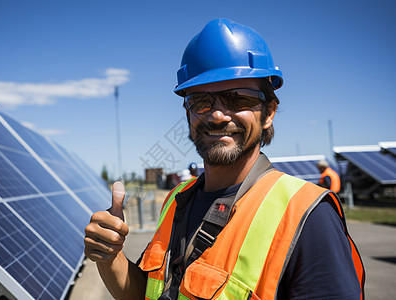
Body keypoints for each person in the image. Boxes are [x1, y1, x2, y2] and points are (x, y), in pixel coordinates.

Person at [84, 19, 365, 300]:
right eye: (200, 101)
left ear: (268, 113)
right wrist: (110, 257)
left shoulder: (307, 215)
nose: (217, 115)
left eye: (238, 99)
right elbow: (145, 294)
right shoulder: (176, 200)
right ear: (188, 115)